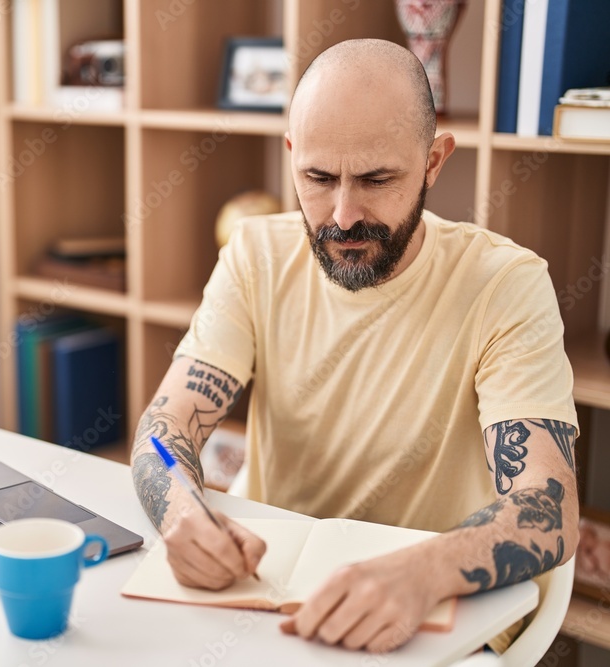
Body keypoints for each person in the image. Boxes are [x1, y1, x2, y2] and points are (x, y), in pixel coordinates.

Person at [130, 38, 579, 654]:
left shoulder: (506, 284)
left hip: (432, 614)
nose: (342, 216)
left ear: (434, 161)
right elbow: (164, 424)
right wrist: (181, 512)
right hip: (264, 596)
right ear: (291, 156)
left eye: (376, 179)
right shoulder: (254, 254)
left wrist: (420, 571)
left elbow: (548, 508)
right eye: (317, 177)